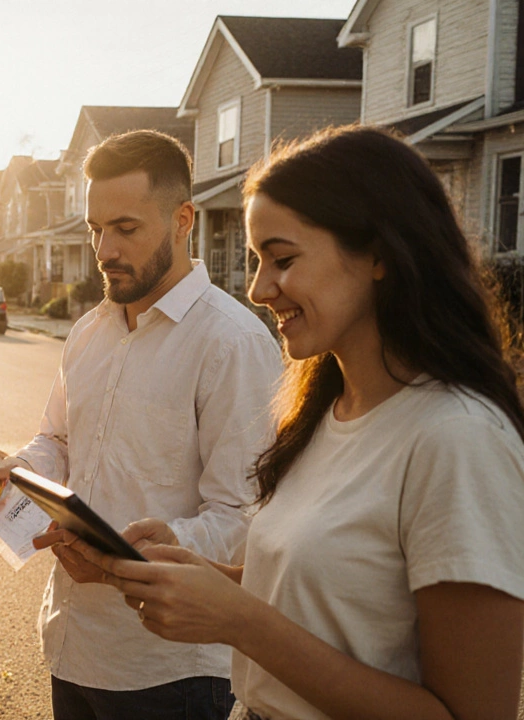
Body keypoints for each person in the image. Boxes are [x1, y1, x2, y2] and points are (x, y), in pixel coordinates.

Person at [81, 126, 524, 720]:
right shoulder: (324, 410)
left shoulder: (458, 438)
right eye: (257, 261)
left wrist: (239, 622)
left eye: (283, 259)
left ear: (380, 255)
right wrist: (207, 578)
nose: (261, 289)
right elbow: (330, 596)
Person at [0, 130, 283, 720]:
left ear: (183, 219)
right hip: (73, 646)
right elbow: (59, 441)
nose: (105, 248)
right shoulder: (90, 331)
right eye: (94, 229)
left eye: (126, 228)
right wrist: (16, 471)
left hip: (172, 669)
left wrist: (119, 562)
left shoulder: (232, 343)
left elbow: (244, 519)